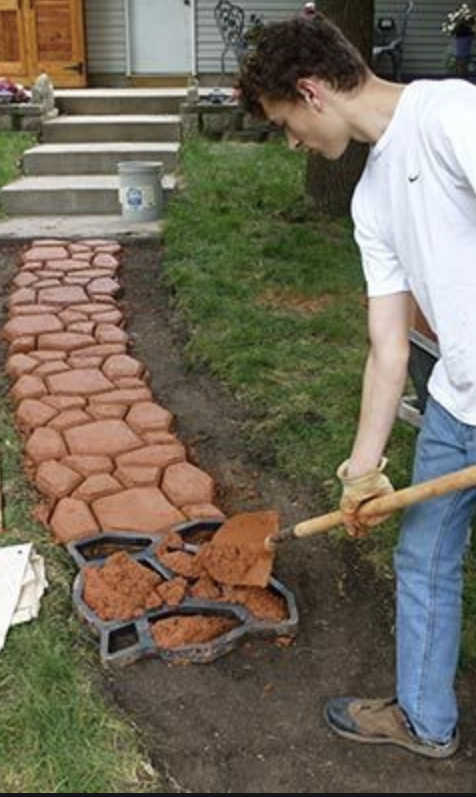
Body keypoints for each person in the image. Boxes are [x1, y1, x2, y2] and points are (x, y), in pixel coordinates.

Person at [239, 11, 476, 759]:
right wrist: (364, 464)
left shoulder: (451, 118)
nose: (292, 141)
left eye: (285, 123)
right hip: (458, 400)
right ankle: (423, 718)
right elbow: (386, 345)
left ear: (311, 93)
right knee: (424, 553)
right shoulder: (372, 195)